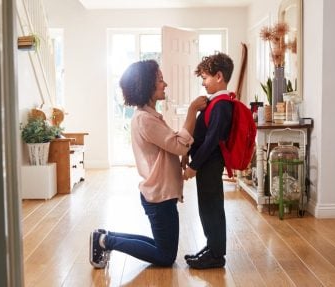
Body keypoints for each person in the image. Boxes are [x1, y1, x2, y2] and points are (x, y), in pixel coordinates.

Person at [89, 59, 207, 268]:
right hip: (159, 196)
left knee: (161, 247)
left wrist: (182, 152)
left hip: (160, 193)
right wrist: (192, 111)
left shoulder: (149, 116)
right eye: (160, 80)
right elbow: (179, 145)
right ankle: (106, 241)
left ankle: (104, 236)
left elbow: (171, 146)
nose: (165, 84)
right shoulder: (145, 119)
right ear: (147, 86)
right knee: (165, 256)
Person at [182, 52, 234, 269]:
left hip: (210, 164)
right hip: (207, 164)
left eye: (205, 78)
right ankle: (212, 247)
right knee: (207, 206)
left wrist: (194, 165)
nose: (203, 83)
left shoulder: (222, 104)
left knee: (211, 207)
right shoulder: (215, 102)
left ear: (218, 76)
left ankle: (216, 254)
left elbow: (212, 140)